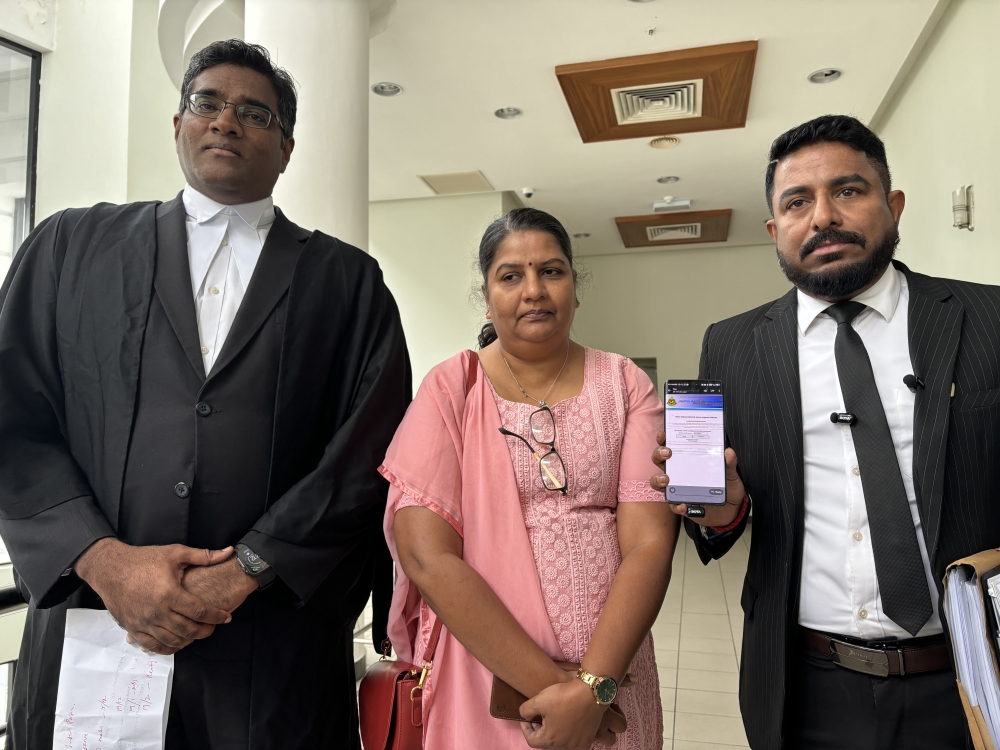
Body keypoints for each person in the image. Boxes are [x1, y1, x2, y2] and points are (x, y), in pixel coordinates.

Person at [0, 39, 409, 750]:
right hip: (100, 624)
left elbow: (367, 453)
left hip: (270, 640)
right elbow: (11, 414)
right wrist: (102, 558)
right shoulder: (70, 248)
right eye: (207, 103)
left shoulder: (349, 285)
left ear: (286, 149)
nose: (227, 121)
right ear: (178, 124)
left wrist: (249, 570)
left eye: (256, 112)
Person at [651, 114, 999, 749]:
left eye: (848, 191)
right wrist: (723, 513)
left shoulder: (989, 319)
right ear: (774, 229)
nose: (822, 218)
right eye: (796, 202)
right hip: (804, 686)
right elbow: (720, 524)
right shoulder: (732, 345)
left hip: (973, 681)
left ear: (892, 206)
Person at [380, 207, 677, 750]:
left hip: (616, 670)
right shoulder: (451, 389)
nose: (534, 290)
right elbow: (428, 557)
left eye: (553, 271)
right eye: (511, 276)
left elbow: (650, 542)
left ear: (576, 287)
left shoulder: (624, 382)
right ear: (487, 296)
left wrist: (595, 687)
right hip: (488, 675)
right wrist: (562, 694)